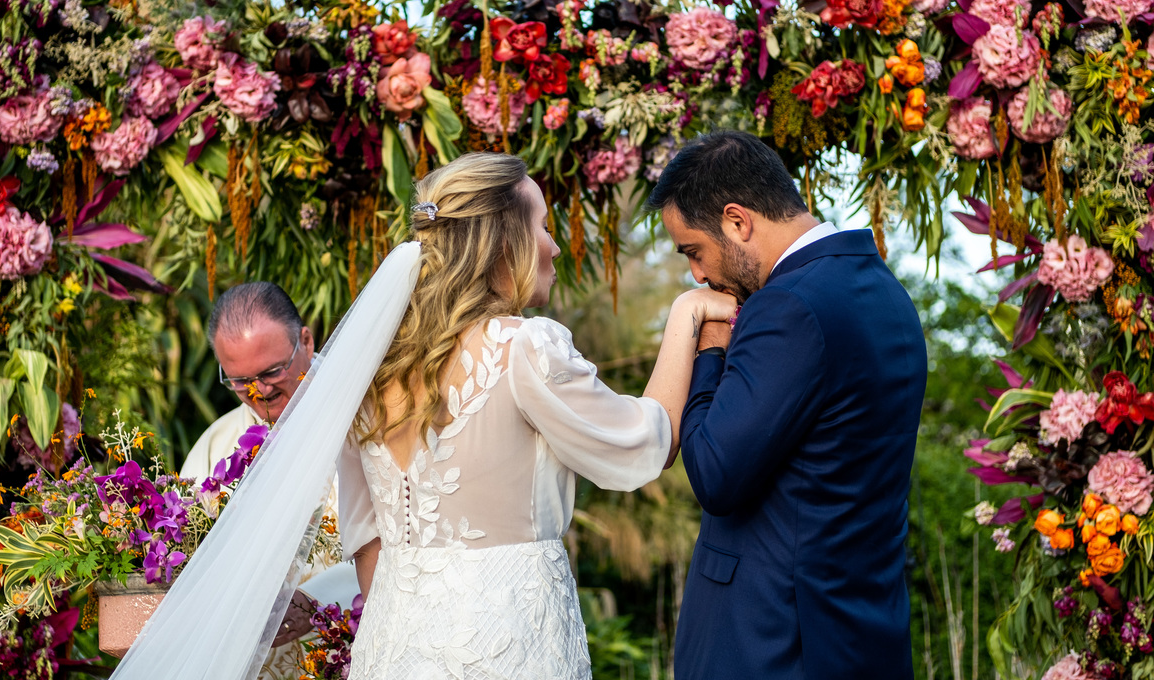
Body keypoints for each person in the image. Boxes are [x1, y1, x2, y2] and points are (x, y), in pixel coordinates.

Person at [335, 151, 734, 678]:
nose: (555, 246)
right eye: (543, 226)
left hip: (391, 651)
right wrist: (686, 315)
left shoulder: (365, 368)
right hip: (507, 643)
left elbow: (365, 538)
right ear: (507, 242)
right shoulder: (522, 345)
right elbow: (643, 445)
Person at [647, 130, 927, 680]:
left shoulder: (788, 307)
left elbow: (715, 474)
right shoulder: (887, 294)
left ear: (737, 221)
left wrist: (709, 348)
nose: (699, 275)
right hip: (862, 634)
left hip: (771, 641)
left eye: (694, 252)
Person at [179, 283, 359, 678]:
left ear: (307, 342)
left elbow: (410, 537)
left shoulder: (365, 422)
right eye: (240, 381)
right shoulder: (216, 446)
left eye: (272, 371)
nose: (259, 391)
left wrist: (320, 599)